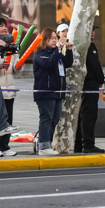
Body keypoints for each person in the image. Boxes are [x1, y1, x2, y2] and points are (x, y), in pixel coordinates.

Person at [33, 28, 74, 156]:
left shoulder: (56, 53)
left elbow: (67, 63)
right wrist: (58, 50)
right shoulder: (41, 54)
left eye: (54, 38)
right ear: (44, 40)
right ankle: (43, 145)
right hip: (46, 92)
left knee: (54, 119)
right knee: (46, 118)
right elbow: (49, 63)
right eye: (50, 38)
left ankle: (47, 144)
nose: (53, 40)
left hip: (57, 92)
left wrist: (68, 50)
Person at [0, 17, 23, 157]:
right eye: (0, 26)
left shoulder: (10, 44)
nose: (4, 28)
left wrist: (17, 66)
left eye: (5, 26)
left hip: (9, 88)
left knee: (7, 119)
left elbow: (14, 67)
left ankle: (4, 146)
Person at [75, 27, 105, 154]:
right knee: (88, 115)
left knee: (83, 115)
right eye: (90, 29)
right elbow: (95, 65)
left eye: (94, 29)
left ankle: (79, 144)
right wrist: (101, 79)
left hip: (86, 84)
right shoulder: (86, 46)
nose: (93, 32)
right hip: (88, 84)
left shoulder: (88, 45)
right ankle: (87, 144)